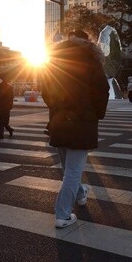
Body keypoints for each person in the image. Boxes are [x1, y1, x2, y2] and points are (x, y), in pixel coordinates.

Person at [42, 29, 110, 229]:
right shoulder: (91, 60)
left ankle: (80, 193)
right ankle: (62, 214)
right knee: (72, 171)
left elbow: (45, 89)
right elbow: (102, 90)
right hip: (82, 121)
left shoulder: (55, 60)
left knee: (69, 169)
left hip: (59, 120)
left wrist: (56, 107)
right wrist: (96, 113)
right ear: (87, 41)